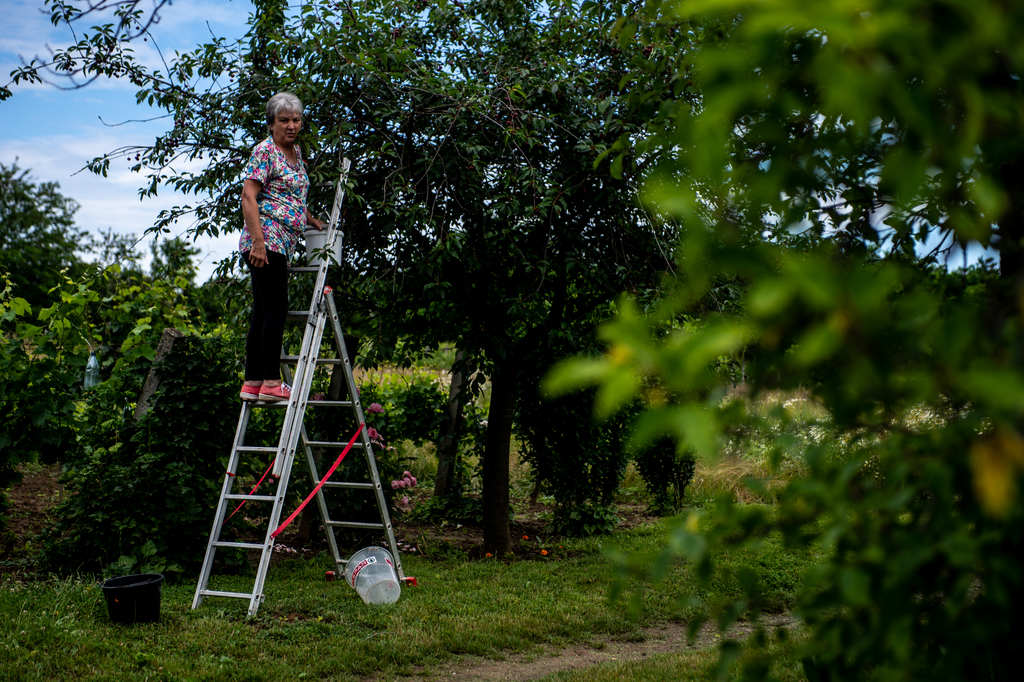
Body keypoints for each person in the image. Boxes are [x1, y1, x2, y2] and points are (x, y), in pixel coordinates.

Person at [239, 92, 325, 402]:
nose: (291, 126)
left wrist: (309, 219)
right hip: (266, 239)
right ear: (272, 123)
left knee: (263, 312)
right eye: (284, 120)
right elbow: (249, 197)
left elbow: (290, 196)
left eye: (296, 120)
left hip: (281, 240)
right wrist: (259, 244)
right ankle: (273, 384)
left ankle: (252, 383)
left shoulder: (296, 152)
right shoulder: (265, 151)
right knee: (276, 311)